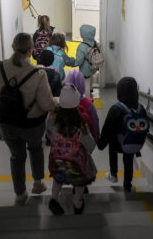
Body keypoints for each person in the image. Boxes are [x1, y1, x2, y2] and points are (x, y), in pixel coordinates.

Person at [0, 33, 58, 205]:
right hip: (32, 124)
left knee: (16, 156)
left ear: (13, 46)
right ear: (32, 50)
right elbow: (47, 103)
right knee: (35, 149)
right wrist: (58, 104)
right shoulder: (38, 74)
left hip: (7, 123)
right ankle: (38, 183)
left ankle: (20, 194)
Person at [47, 84, 97, 216]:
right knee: (80, 179)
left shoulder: (52, 118)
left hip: (58, 159)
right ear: (76, 102)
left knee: (58, 177)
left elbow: (49, 135)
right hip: (76, 162)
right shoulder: (80, 123)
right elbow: (90, 145)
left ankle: (54, 198)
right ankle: (77, 201)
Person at [97, 77, 140, 192]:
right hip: (131, 143)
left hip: (117, 144)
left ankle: (113, 174)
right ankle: (127, 185)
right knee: (129, 160)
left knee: (112, 145)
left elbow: (107, 129)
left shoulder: (116, 109)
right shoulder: (138, 108)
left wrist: (100, 144)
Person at [65, 69, 100, 141]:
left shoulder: (60, 103)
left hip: (64, 146)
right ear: (82, 83)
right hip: (84, 145)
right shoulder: (89, 104)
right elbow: (95, 124)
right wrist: (96, 138)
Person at [74, 24, 99, 97]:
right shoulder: (95, 43)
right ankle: (91, 89)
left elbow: (79, 61)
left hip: (85, 69)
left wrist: (73, 63)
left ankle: (87, 99)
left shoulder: (82, 47)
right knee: (91, 77)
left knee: (86, 84)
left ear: (83, 34)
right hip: (94, 66)